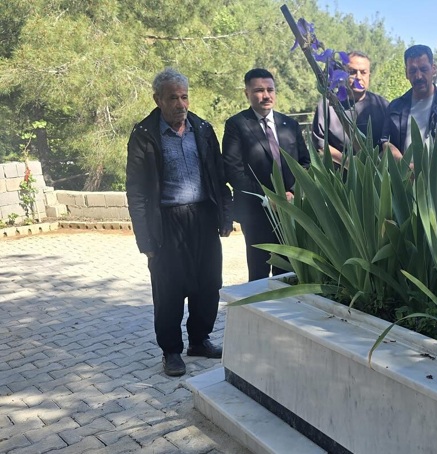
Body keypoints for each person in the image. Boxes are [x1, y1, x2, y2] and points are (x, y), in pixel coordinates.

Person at [126, 68, 233, 377]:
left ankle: (199, 340)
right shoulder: (144, 135)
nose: (180, 104)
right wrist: (145, 239)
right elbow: (136, 191)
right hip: (167, 222)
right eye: (173, 98)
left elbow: (218, 176)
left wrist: (225, 216)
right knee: (169, 289)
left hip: (203, 217)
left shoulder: (203, 128)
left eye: (184, 97)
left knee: (208, 284)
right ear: (157, 100)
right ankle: (171, 351)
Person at [223, 68, 310, 281]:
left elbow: (305, 164)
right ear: (247, 93)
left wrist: (292, 192)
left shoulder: (290, 124)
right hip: (256, 212)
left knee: (289, 273)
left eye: (270, 89)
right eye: (259, 90)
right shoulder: (236, 125)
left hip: (290, 210)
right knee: (259, 274)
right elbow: (234, 170)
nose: (266, 95)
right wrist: (268, 197)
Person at [381, 44, 437, 165]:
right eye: (413, 71)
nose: (418, 76)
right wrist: (406, 168)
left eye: (424, 69)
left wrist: (428, 170)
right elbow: (386, 142)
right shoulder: (395, 107)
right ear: (406, 73)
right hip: (404, 176)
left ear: (433, 69)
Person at [311, 51, 389, 165]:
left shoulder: (382, 104)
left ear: (369, 75)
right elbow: (320, 144)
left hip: (375, 171)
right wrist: (350, 164)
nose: (358, 77)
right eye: (352, 72)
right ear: (342, 72)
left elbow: (389, 142)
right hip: (339, 172)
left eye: (363, 72)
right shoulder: (328, 104)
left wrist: (374, 166)